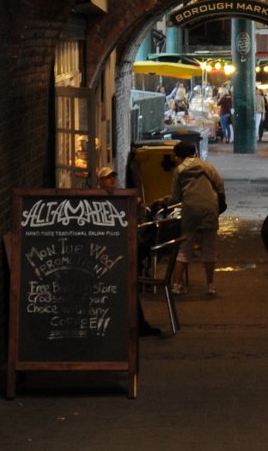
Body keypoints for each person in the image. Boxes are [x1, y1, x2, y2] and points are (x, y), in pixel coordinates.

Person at [97, 165, 162, 337]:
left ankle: (136, 324)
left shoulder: (121, 197)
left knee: (127, 284)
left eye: (113, 177)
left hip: (121, 250)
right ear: (100, 182)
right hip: (111, 252)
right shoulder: (98, 200)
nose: (112, 180)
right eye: (107, 178)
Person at [168, 136, 227, 295]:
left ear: (180, 156)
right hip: (210, 208)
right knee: (209, 248)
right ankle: (210, 286)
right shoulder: (207, 167)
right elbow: (220, 185)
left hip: (191, 210)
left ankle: (176, 284)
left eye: (176, 157)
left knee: (185, 247)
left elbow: (175, 197)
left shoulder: (179, 170)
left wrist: (166, 202)